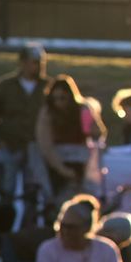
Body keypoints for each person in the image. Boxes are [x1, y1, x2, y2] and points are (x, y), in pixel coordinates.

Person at [0, 44, 48, 204]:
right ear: (22, 63)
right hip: (10, 145)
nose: (36, 66)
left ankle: (29, 224)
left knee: (33, 188)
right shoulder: (5, 86)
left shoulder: (47, 87)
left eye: (39, 62)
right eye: (33, 62)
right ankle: (4, 220)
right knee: (6, 187)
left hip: (36, 146)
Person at [35, 74, 106, 203]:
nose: (59, 102)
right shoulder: (48, 113)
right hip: (56, 163)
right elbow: (45, 145)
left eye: (62, 98)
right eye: (55, 98)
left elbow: (98, 133)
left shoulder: (82, 110)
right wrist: (62, 169)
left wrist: (88, 122)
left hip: (80, 161)